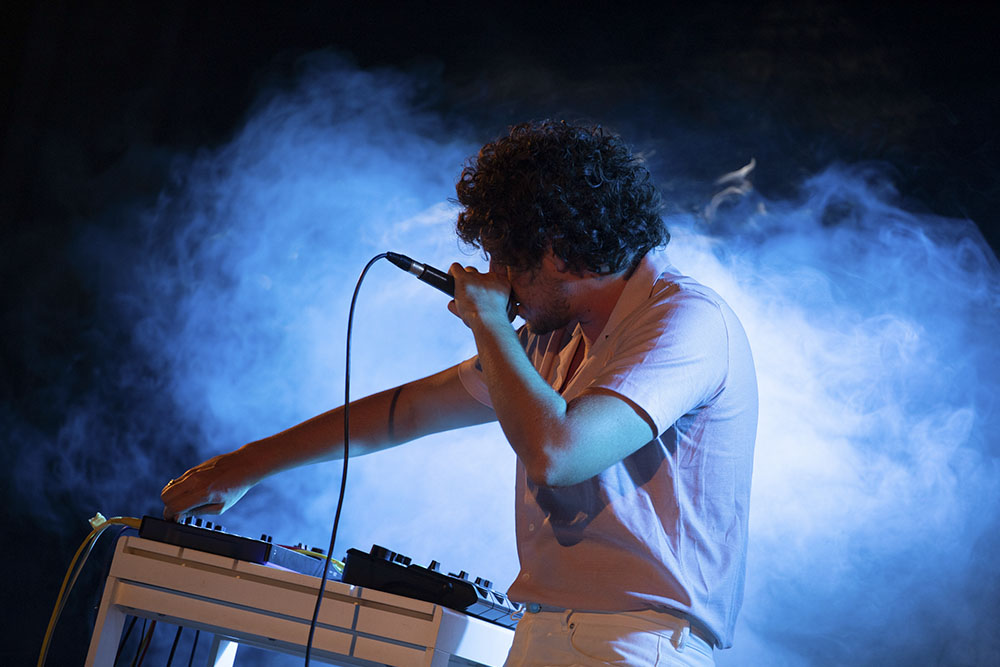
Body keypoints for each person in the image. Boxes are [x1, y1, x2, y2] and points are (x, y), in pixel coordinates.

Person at [161, 120, 757, 666]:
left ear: (555, 250)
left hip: (636, 643)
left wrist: (489, 323)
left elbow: (559, 454)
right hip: (546, 631)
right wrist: (245, 465)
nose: (494, 280)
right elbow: (407, 412)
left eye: (503, 260)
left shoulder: (686, 320)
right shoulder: (554, 337)